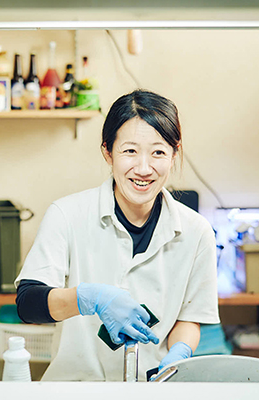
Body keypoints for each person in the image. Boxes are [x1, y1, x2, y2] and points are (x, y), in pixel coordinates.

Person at [15, 89, 220, 381]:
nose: (144, 168)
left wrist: (180, 352)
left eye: (158, 152)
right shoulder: (67, 215)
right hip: (75, 389)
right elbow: (28, 304)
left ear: (175, 154)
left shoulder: (196, 231)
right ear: (108, 152)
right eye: (130, 151)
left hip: (154, 387)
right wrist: (88, 297)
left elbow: (189, 318)